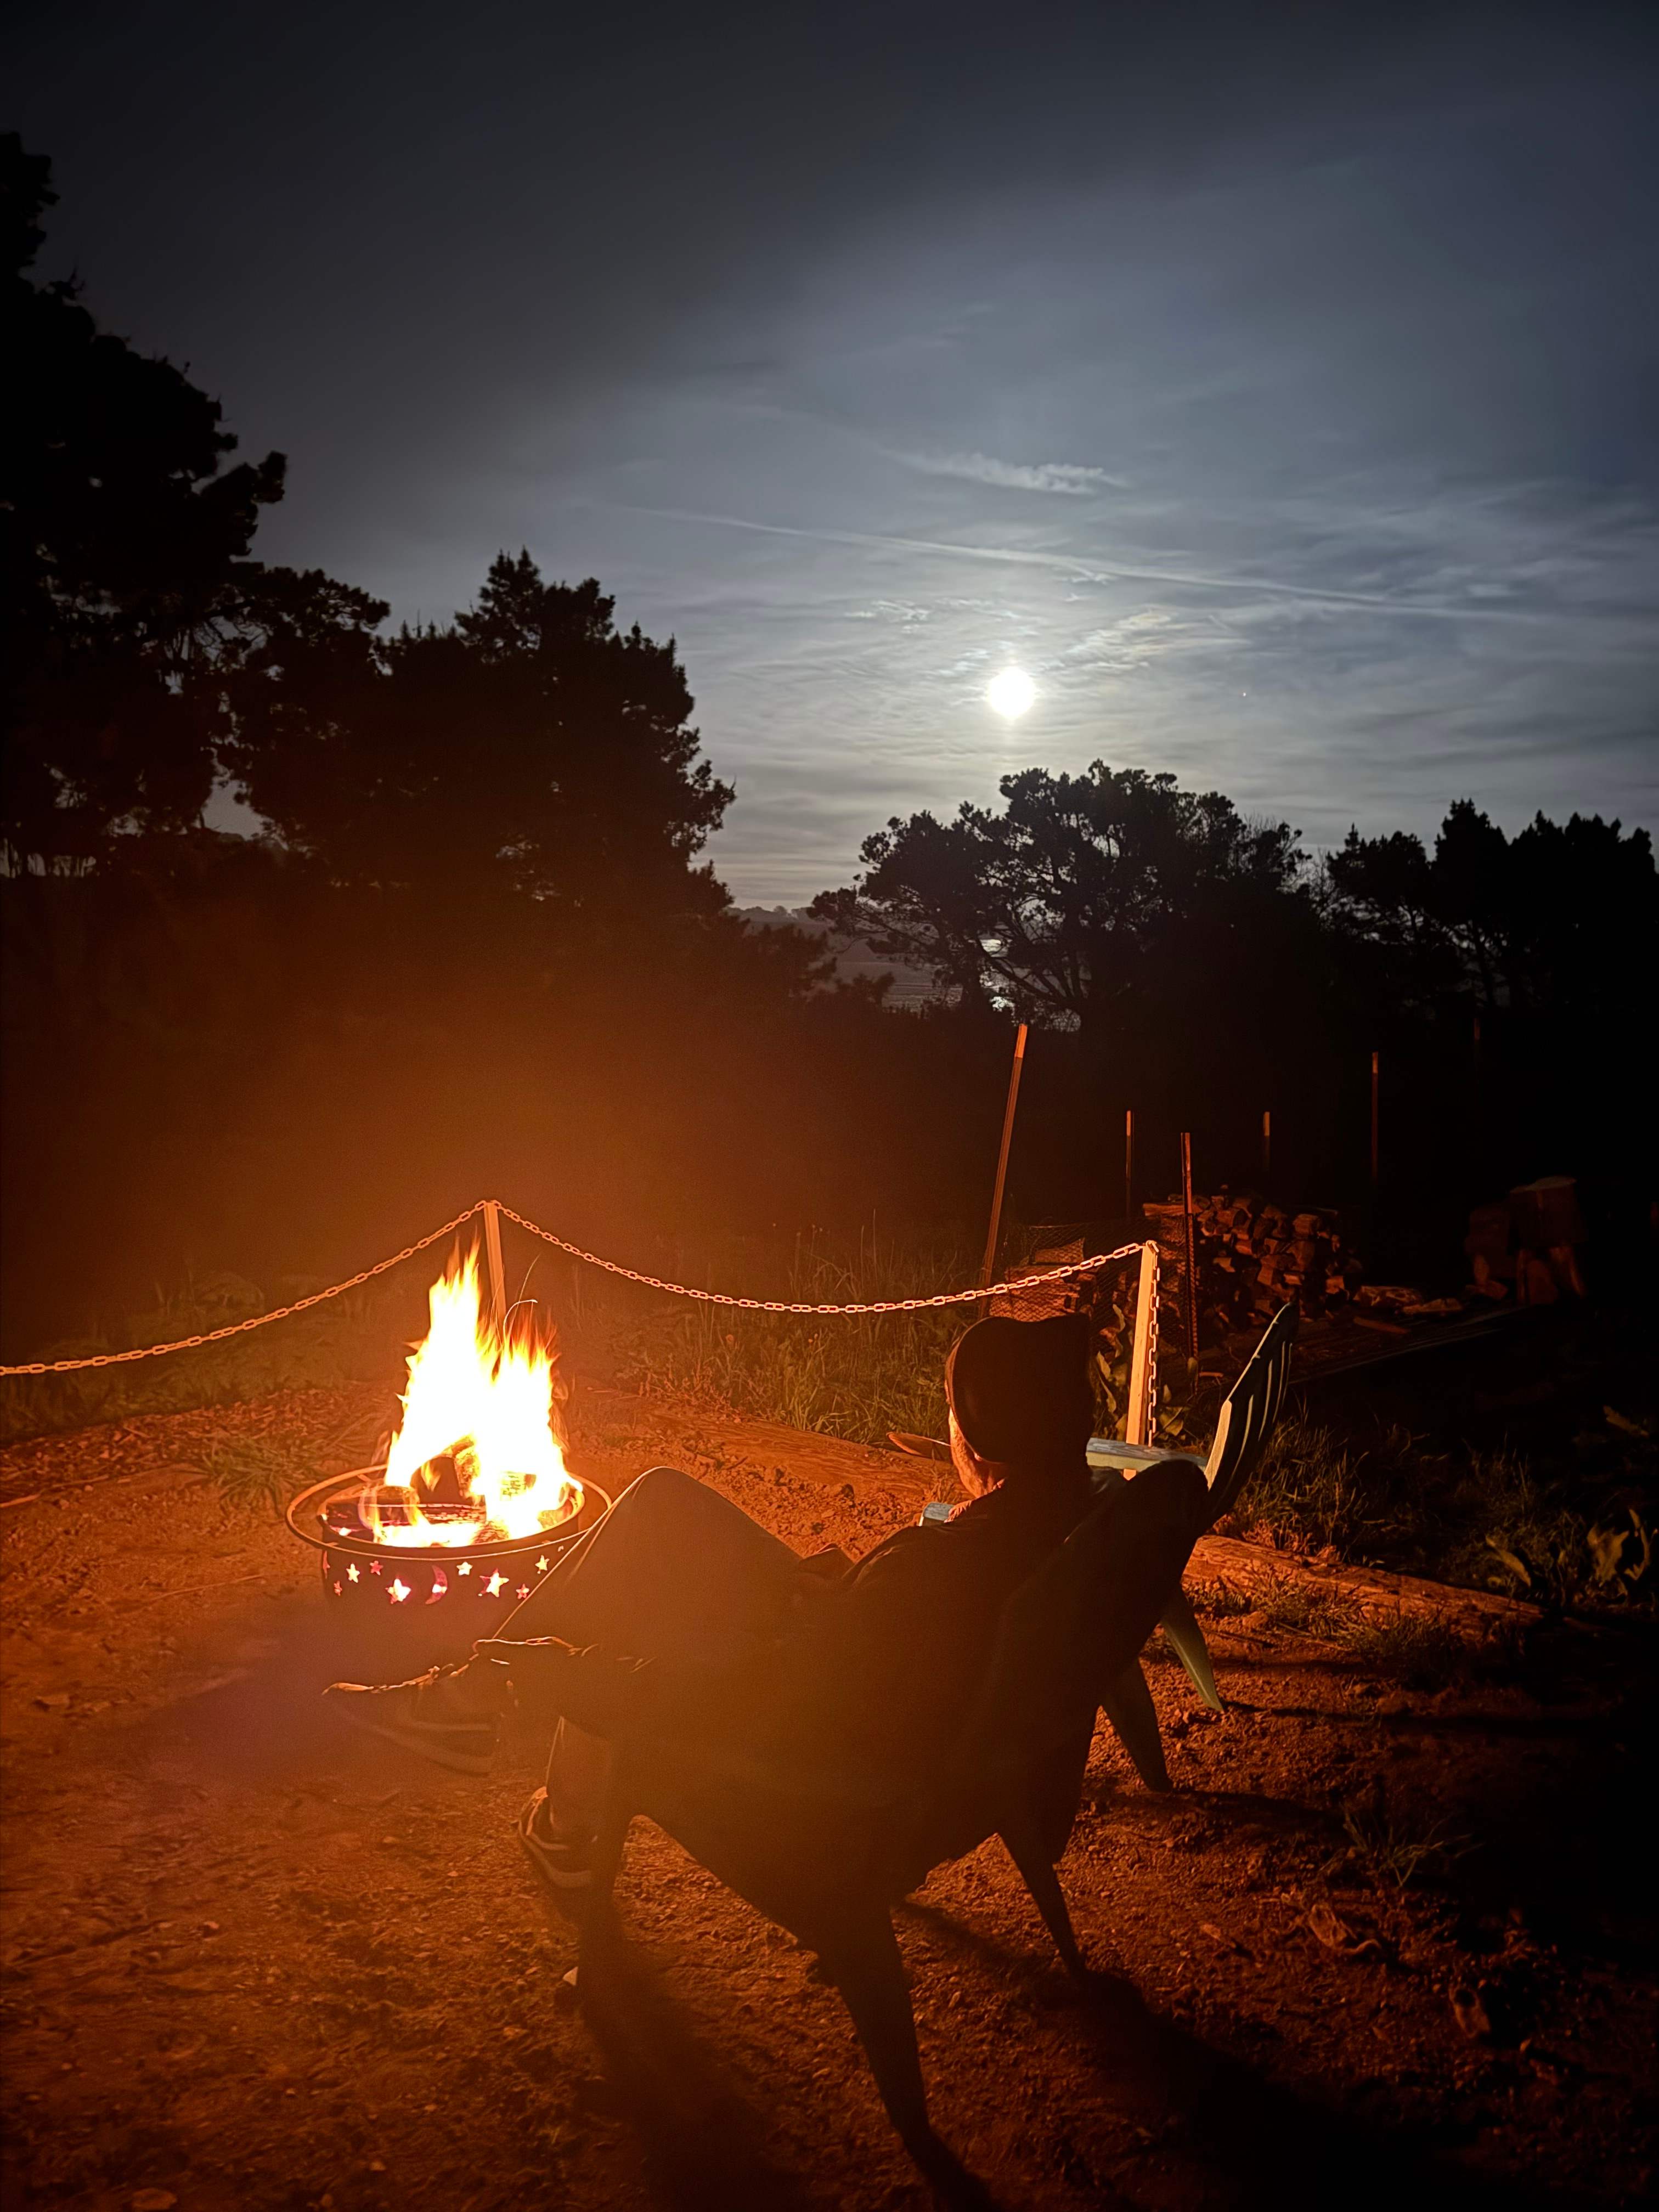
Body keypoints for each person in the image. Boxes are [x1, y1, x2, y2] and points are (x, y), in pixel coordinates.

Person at [326, 1312, 1103, 1898]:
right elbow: (882, 1634)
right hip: (860, 1674)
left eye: (953, 1412)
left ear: (980, 1439)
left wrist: (571, 1674)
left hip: (829, 1758)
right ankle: (470, 1702)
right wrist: (837, 1594)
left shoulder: (948, 1566)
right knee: (661, 1502)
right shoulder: (1055, 1521)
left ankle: (510, 1755)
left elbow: (764, 1686)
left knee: (634, 1592)